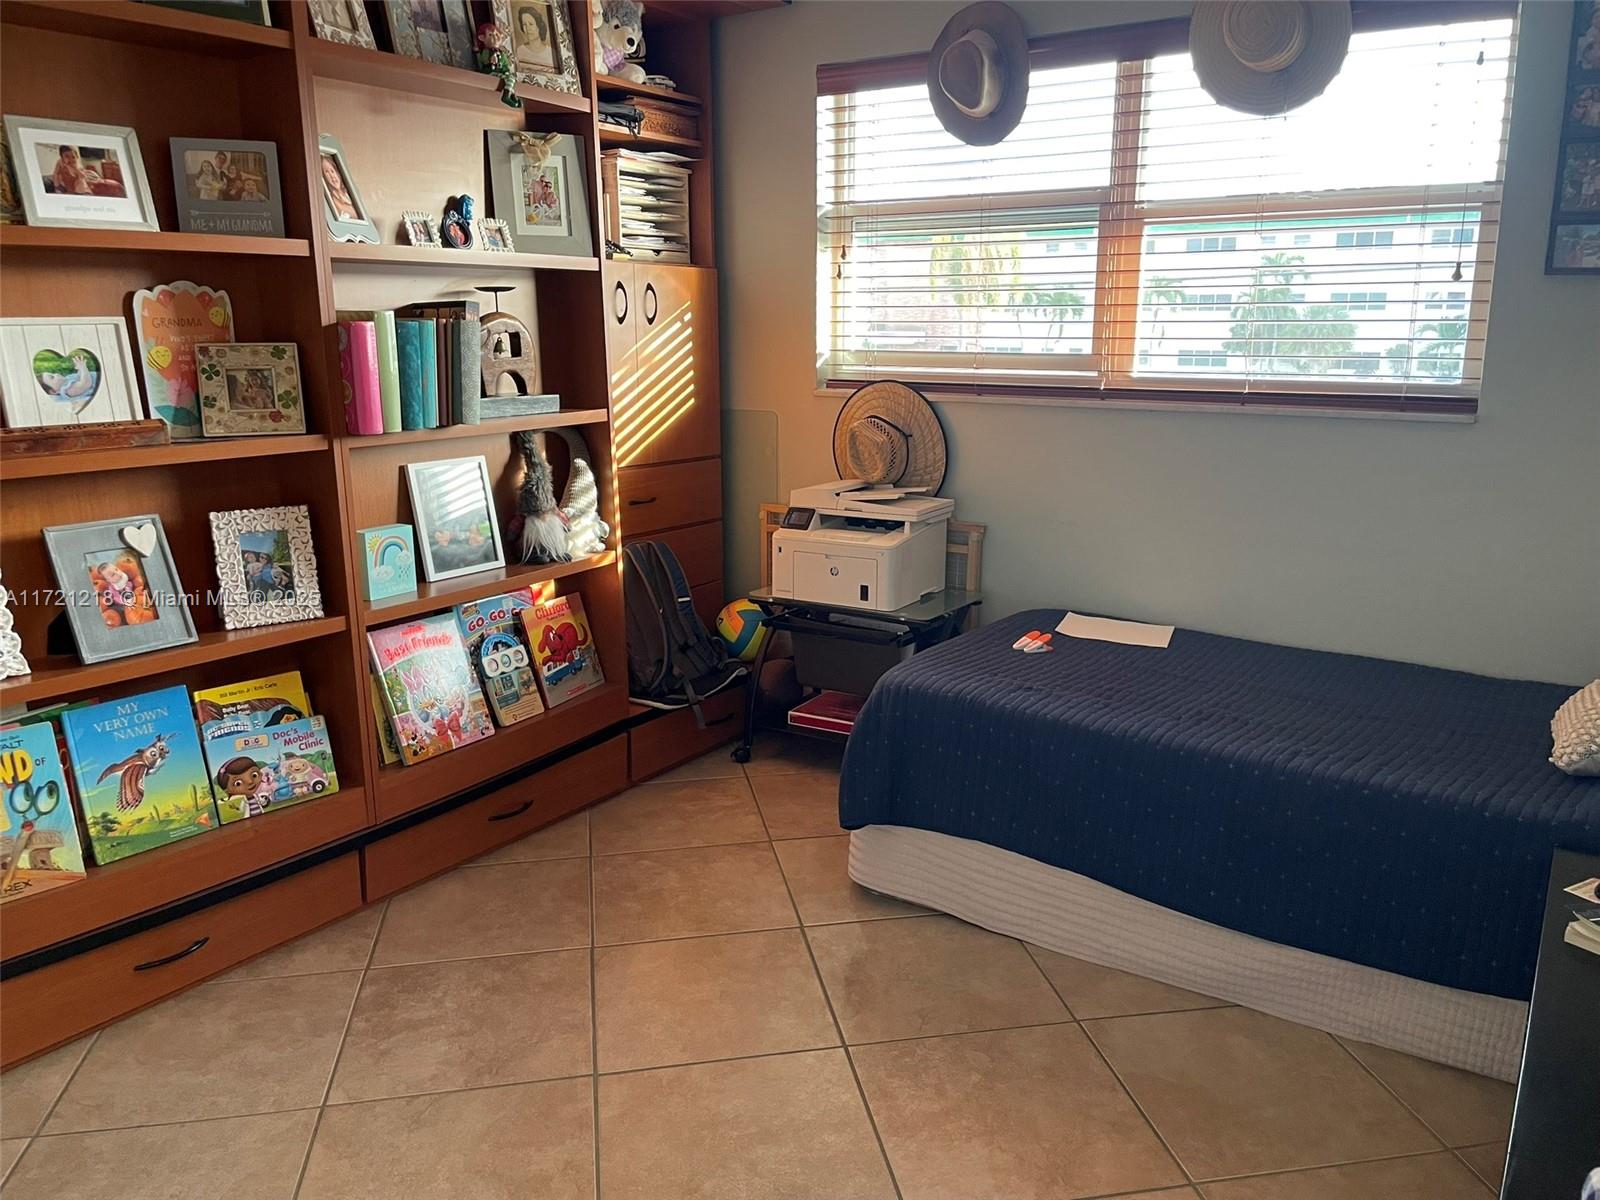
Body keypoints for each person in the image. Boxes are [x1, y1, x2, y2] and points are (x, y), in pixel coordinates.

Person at [321, 154, 359, 220]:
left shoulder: (350, 193)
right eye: (327, 172)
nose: (332, 176)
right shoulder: (331, 200)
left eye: (332, 171)